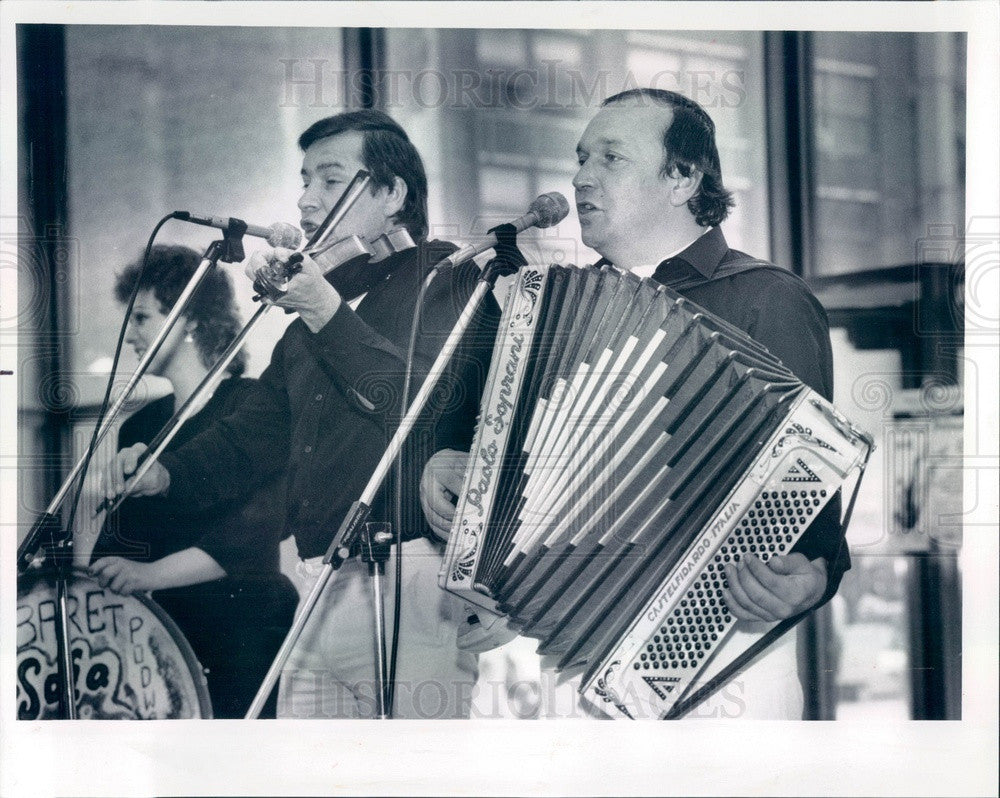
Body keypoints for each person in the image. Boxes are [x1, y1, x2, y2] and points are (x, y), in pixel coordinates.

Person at [421, 88, 847, 719]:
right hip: (548, 660)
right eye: (581, 157)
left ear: (682, 178)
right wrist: (448, 468)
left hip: (712, 666)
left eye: (610, 159)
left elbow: (809, 506)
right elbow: (529, 476)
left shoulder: (767, 300)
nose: (581, 176)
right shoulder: (544, 313)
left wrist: (813, 576)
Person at [102, 110, 500, 719]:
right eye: (305, 180)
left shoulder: (444, 277)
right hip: (324, 578)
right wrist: (165, 471)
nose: (307, 199)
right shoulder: (308, 323)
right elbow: (252, 436)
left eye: (330, 181)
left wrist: (323, 306)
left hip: (412, 577)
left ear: (393, 194)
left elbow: (415, 411)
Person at [78, 244, 298, 718]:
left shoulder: (252, 407)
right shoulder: (140, 427)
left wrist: (148, 575)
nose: (130, 334)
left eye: (141, 318)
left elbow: (252, 538)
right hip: (163, 635)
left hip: (242, 630)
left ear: (192, 319)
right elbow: (120, 546)